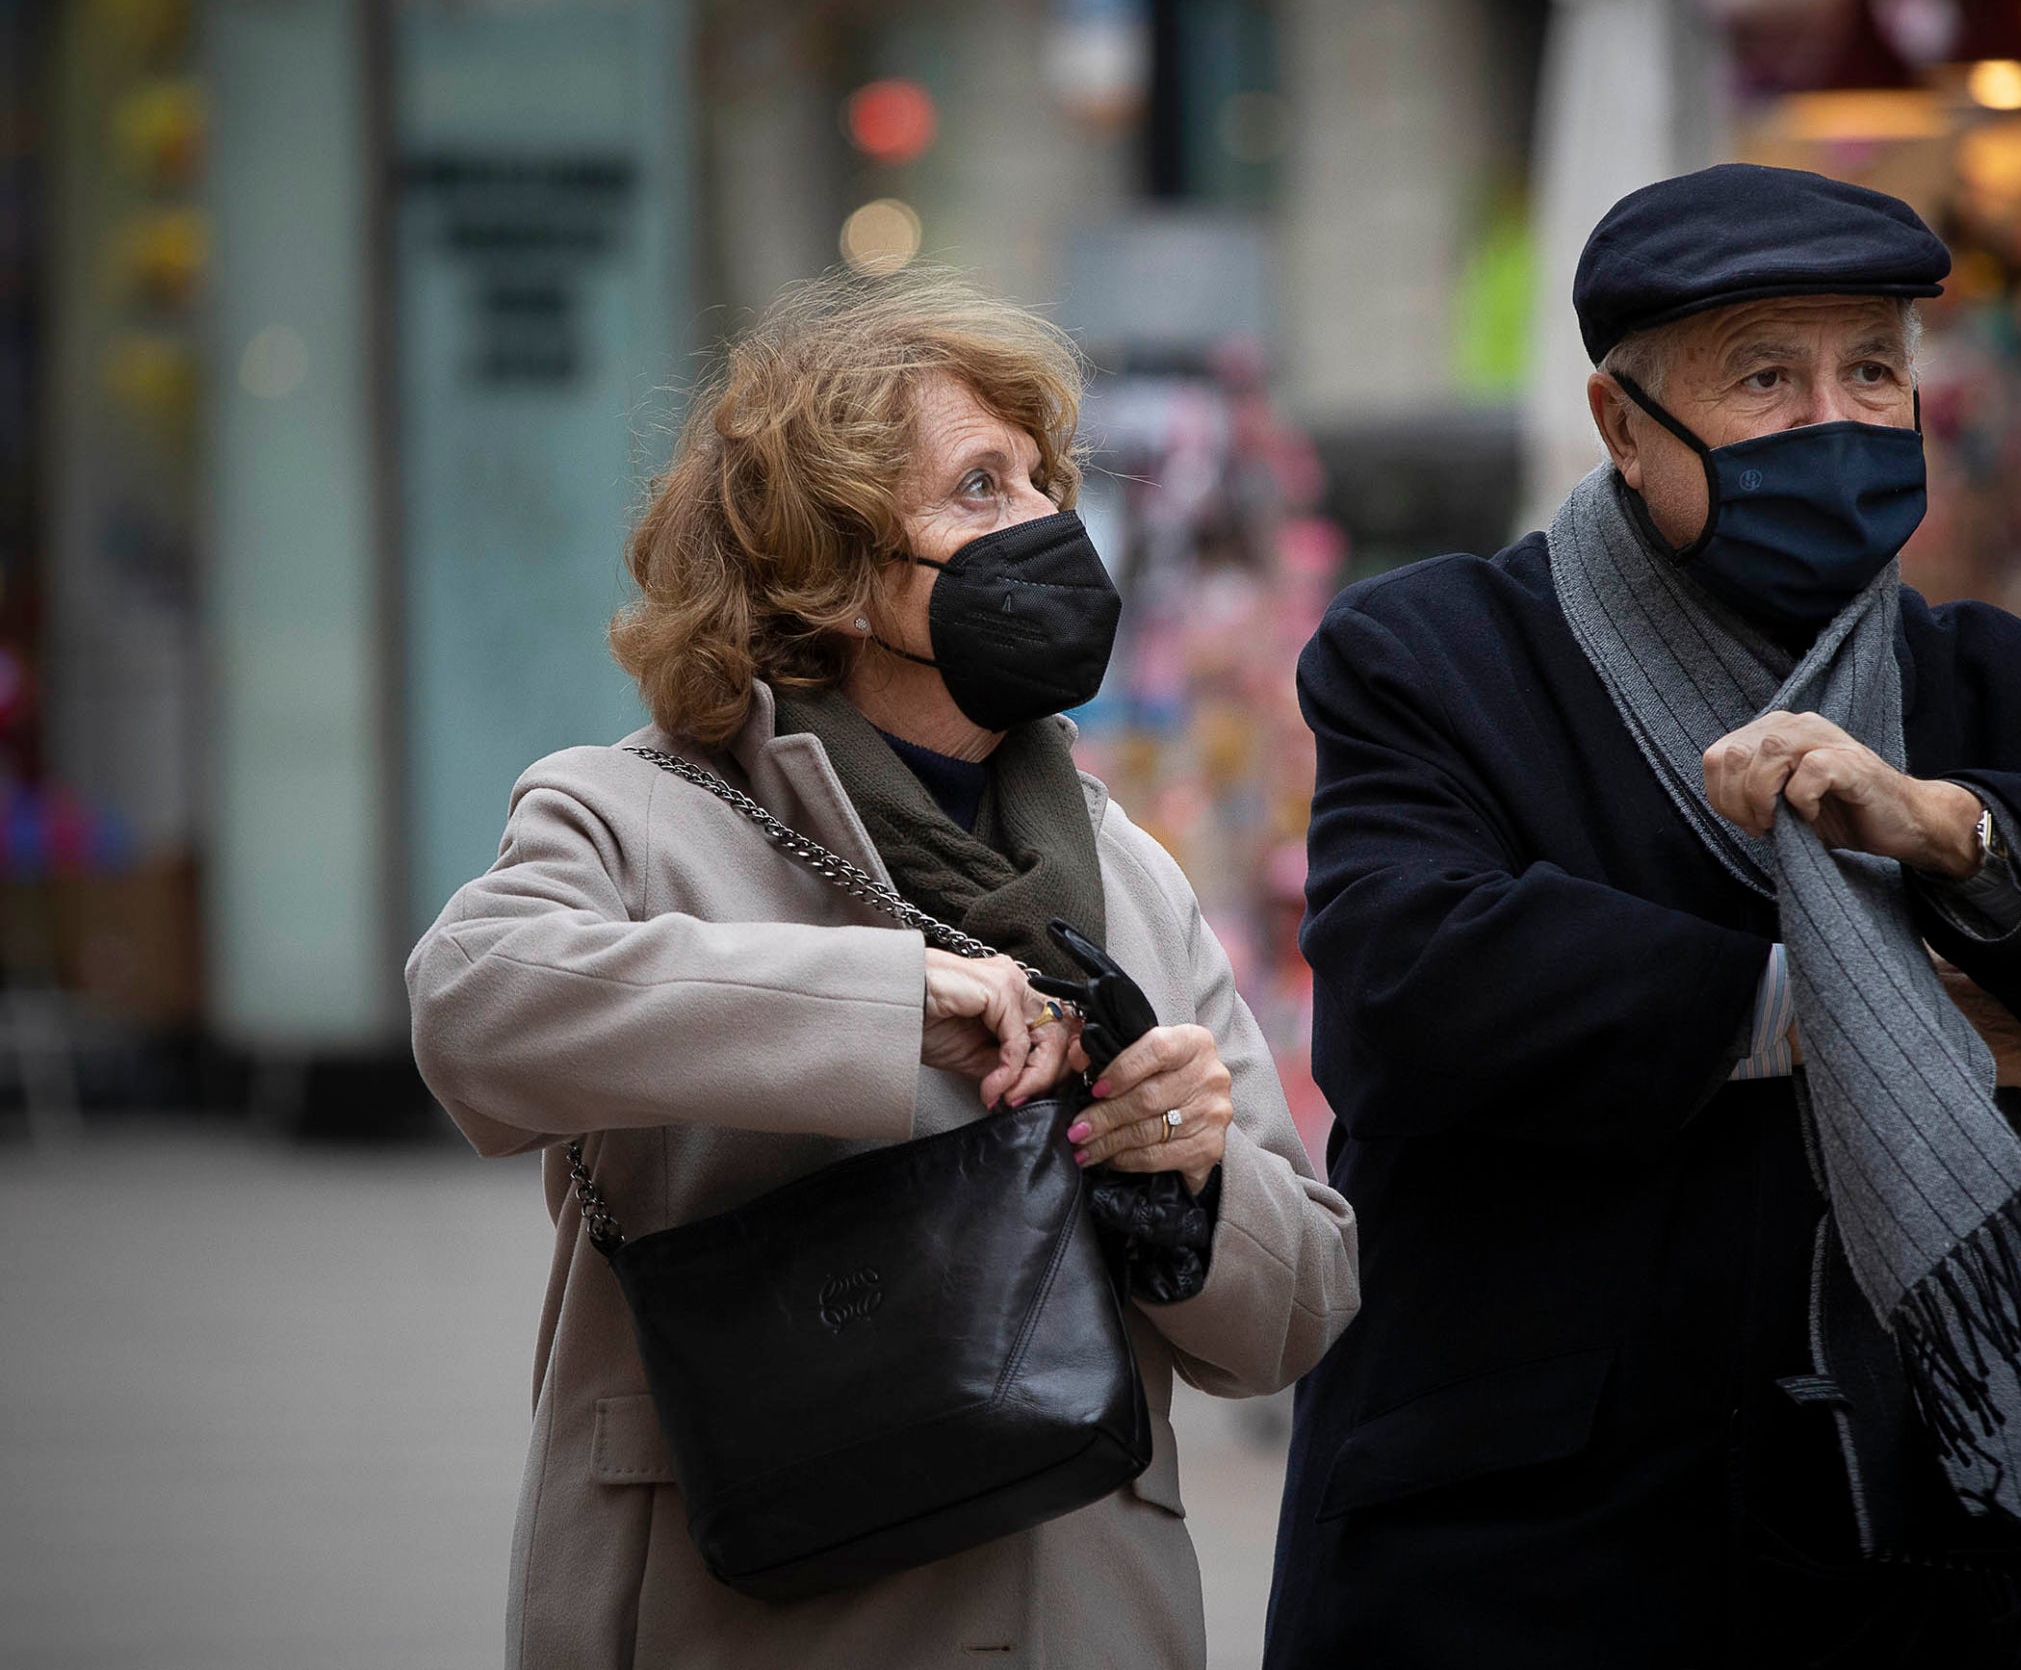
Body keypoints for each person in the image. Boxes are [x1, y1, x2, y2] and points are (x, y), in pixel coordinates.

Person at [1268, 164, 2021, 1668]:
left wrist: (1952, 831)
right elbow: (1410, 986)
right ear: (1623, 426)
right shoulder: (1440, 655)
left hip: (1908, 1552)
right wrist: (1835, 1005)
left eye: (1873, 369)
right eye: (1765, 377)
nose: (1840, 419)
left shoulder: (2002, 693)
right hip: (1516, 1559)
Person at [406, 264, 1358, 1670]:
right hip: (746, 1609)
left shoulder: (1127, 869)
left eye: (1043, 481)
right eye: (981, 489)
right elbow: (470, 1003)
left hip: (1076, 1611)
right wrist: (891, 999)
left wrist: (1193, 1172)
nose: (1045, 523)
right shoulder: (637, 813)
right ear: (837, 574)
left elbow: (1300, 1309)